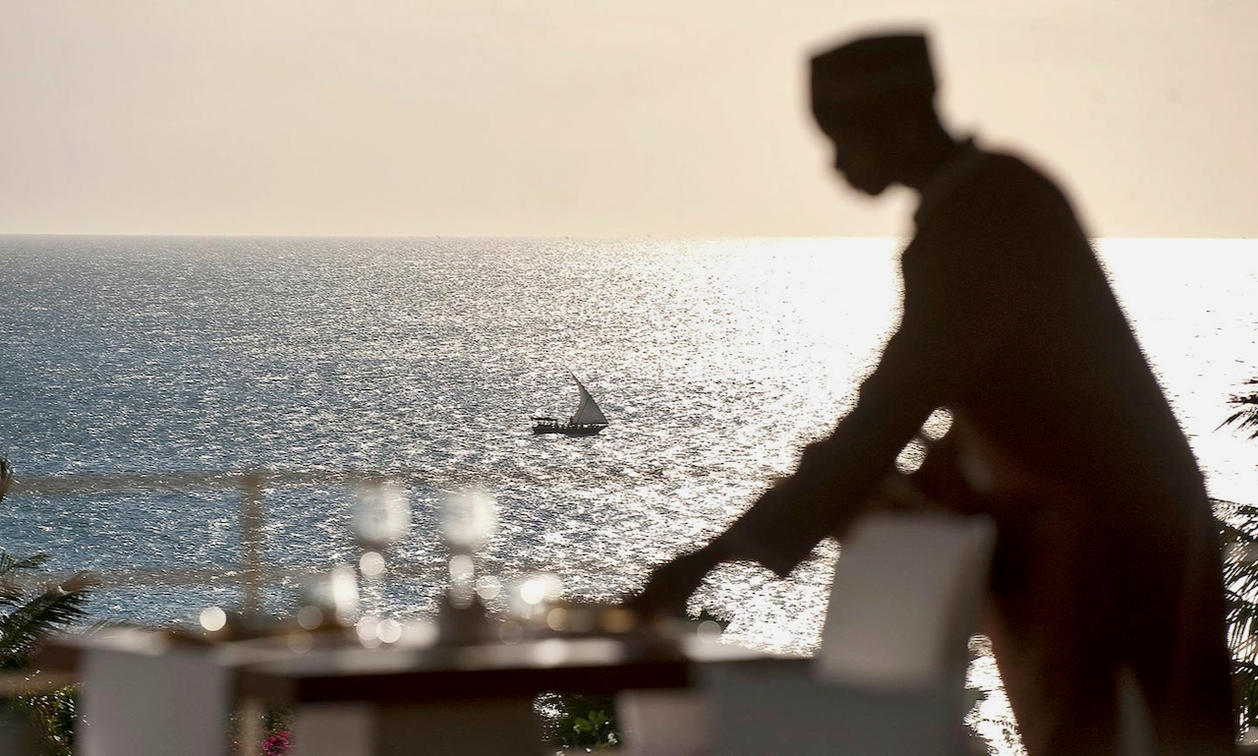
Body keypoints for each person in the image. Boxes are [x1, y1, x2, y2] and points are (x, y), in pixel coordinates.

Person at [630, 32, 1234, 754]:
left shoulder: (980, 221)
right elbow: (1007, 395)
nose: (835, 165)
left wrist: (717, 552)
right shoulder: (997, 199)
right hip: (1106, 532)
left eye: (842, 141)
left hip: (1104, 547)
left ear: (896, 125)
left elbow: (888, 412)